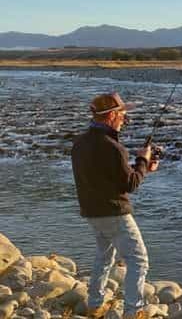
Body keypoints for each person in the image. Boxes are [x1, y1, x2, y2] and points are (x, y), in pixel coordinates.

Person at [71, 93, 159, 319]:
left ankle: (95, 304)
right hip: (113, 212)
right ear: (111, 115)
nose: (124, 120)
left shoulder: (80, 143)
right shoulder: (113, 147)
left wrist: (141, 168)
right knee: (139, 260)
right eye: (122, 115)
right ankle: (133, 311)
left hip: (91, 211)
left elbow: (105, 175)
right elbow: (130, 185)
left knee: (104, 256)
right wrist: (142, 161)